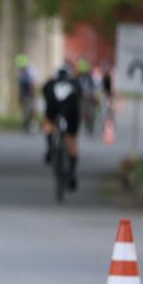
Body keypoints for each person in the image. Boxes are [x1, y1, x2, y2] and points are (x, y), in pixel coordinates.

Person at [41, 62, 82, 190]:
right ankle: (72, 172)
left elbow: (44, 95)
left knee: (48, 123)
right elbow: (80, 97)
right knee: (72, 141)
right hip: (71, 113)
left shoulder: (50, 83)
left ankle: (49, 148)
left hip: (53, 109)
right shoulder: (75, 83)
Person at [16, 53, 37, 131]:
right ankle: (25, 122)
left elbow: (33, 84)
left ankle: (33, 122)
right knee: (24, 108)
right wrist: (19, 93)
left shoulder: (31, 70)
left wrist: (33, 95)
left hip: (30, 91)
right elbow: (20, 83)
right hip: (23, 91)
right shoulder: (19, 71)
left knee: (31, 107)